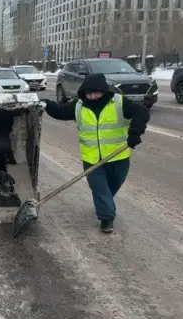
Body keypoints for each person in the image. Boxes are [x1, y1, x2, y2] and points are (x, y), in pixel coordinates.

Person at [41, 73, 150, 233]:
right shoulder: (78, 106)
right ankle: (106, 218)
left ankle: (104, 204)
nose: (91, 96)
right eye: (88, 93)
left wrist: (134, 133)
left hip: (118, 157)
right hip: (91, 158)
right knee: (100, 189)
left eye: (95, 92)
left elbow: (142, 112)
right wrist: (46, 104)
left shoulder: (119, 103)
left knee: (111, 187)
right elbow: (61, 111)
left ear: (103, 91)